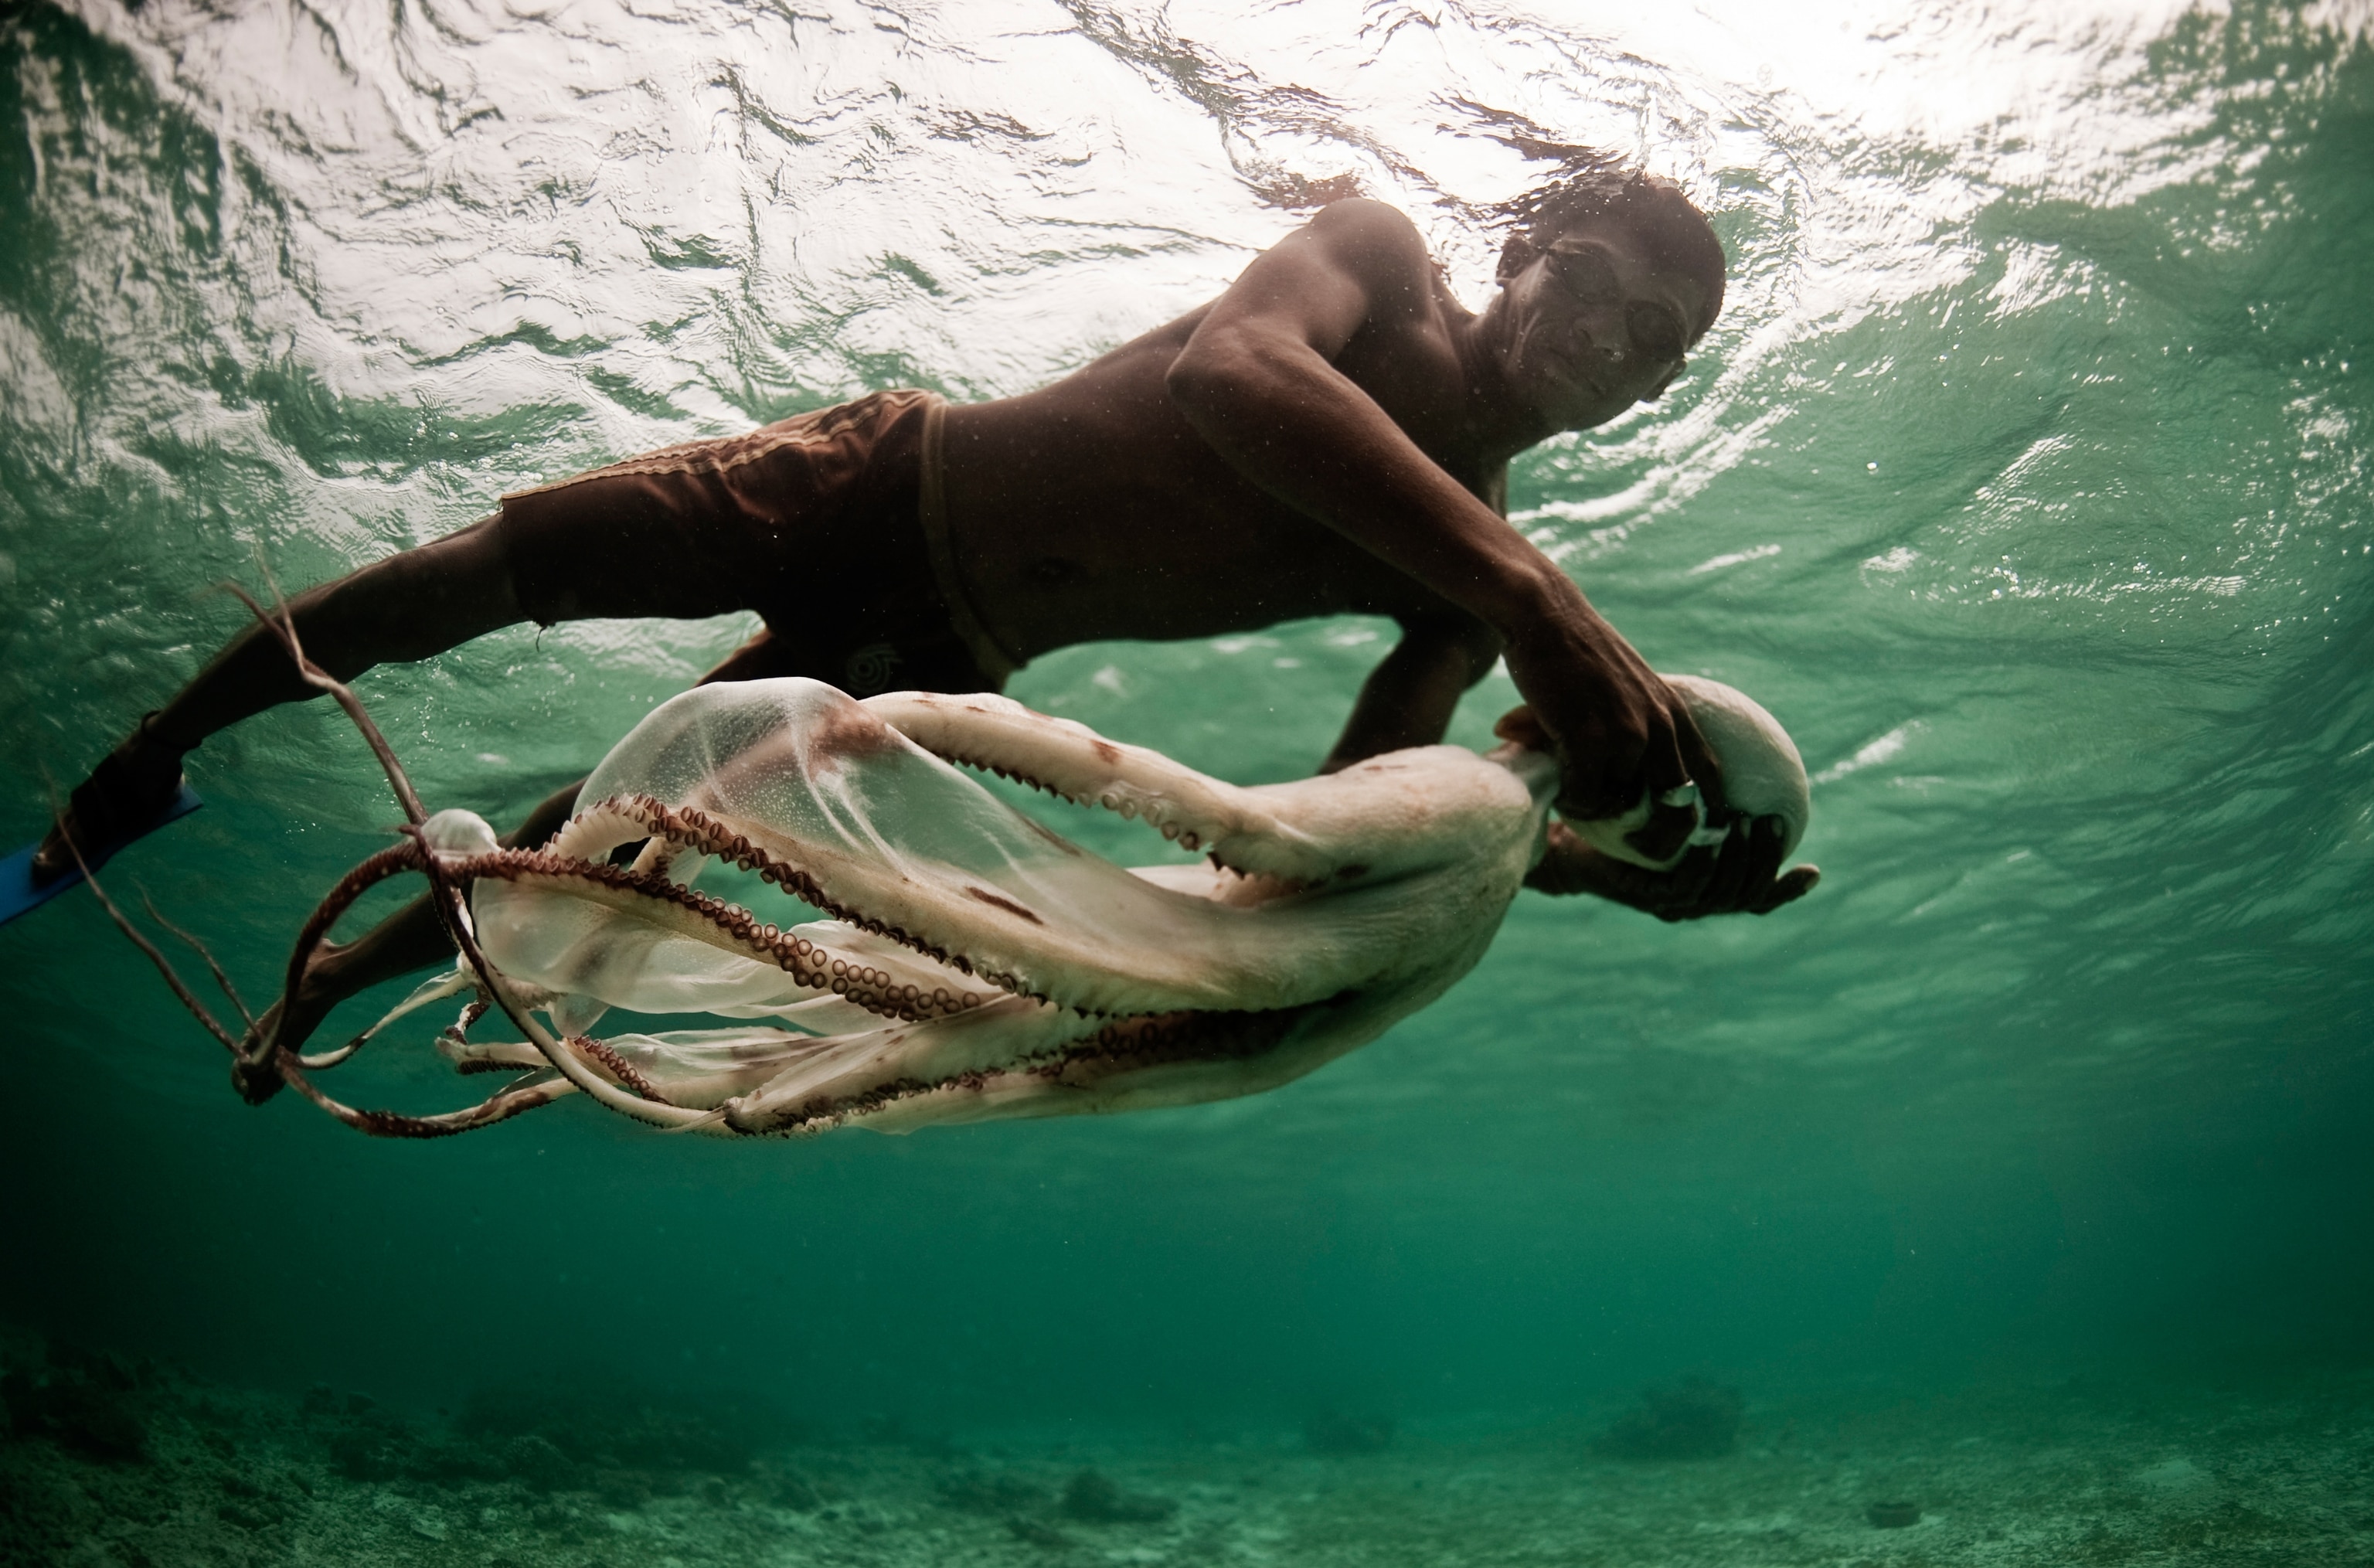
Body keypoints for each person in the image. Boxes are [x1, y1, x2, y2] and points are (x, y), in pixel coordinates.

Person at [36, 171, 1818, 1049]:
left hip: (946, 645)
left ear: (1656, 396)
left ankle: (335, 978)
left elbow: (1324, 844)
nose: (1605, 346)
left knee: (608, 832)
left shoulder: (1467, 580)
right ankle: (151, 756)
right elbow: (1229, 373)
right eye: (1593, 285)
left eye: (1654, 349)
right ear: (1521, 251)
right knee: (473, 583)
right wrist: (1534, 596)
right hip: (886, 476)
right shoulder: (1374, 265)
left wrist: (1565, 857)